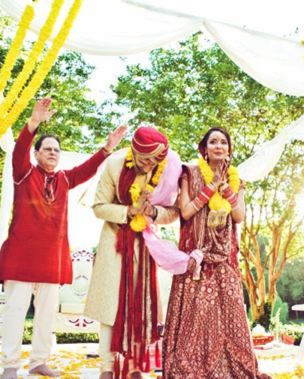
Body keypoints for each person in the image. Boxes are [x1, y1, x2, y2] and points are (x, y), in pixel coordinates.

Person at [0, 98, 128, 379]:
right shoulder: (24, 173)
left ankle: (39, 362)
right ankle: (9, 366)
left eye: (57, 150)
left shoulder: (65, 179)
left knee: (45, 316)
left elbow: (88, 169)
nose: (53, 153)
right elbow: (19, 150)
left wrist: (107, 149)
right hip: (21, 255)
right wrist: (33, 123)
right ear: (38, 153)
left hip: (52, 257)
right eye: (48, 149)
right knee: (16, 311)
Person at [162, 127, 273, 379]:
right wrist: (211, 187)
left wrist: (228, 192)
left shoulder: (236, 178)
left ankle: (229, 367)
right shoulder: (189, 173)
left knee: (229, 312)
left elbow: (239, 216)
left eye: (223, 142)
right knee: (195, 315)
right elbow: (187, 211)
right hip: (196, 256)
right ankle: (192, 366)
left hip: (224, 256)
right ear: (205, 148)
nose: (219, 146)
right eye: (213, 142)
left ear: (229, 149)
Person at [84, 126, 181, 379]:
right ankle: (107, 367)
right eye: (146, 159)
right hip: (114, 243)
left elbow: (173, 212)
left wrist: (152, 213)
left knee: (141, 307)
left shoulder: (164, 172)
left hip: (146, 247)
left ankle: (134, 366)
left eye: (156, 160)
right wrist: (130, 211)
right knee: (111, 307)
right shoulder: (115, 165)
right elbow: (99, 206)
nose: (150, 165)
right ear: (134, 151)